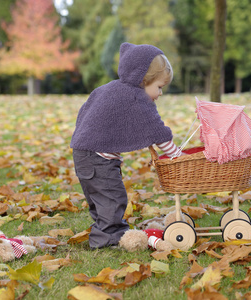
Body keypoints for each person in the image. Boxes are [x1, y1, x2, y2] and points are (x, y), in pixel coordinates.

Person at [70, 42, 180, 249]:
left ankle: (106, 228)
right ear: (143, 80)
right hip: (97, 158)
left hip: (83, 153)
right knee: (112, 196)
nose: (160, 93)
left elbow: (84, 113)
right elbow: (157, 130)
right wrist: (177, 155)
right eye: (159, 87)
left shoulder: (110, 89)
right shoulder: (135, 96)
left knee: (101, 198)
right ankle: (108, 238)